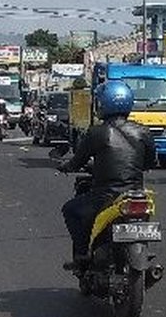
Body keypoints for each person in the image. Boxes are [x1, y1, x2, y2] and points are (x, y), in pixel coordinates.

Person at [58, 81, 156, 269]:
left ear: (102, 103)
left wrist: (66, 166)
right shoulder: (143, 131)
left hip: (106, 196)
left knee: (70, 210)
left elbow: (77, 162)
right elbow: (150, 162)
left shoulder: (96, 133)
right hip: (137, 194)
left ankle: (82, 255)